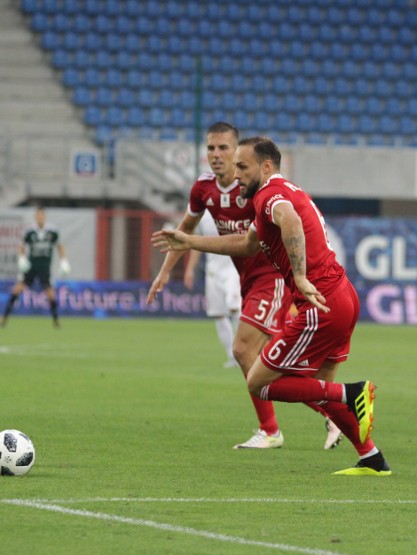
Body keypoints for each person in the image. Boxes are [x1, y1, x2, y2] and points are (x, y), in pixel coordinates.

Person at [152, 136, 391, 476]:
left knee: (258, 381)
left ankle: (352, 393)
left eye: (243, 167)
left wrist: (300, 275)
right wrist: (190, 242)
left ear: (265, 166)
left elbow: (290, 220)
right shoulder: (284, 189)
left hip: (320, 303)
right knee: (315, 386)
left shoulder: (268, 194)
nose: (237, 175)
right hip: (341, 297)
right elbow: (247, 244)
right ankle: (372, 458)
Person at [183, 211, 241, 369]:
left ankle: (246, 349)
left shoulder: (231, 205)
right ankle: (232, 356)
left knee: (234, 307)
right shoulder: (203, 214)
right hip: (212, 271)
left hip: (233, 269)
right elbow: (197, 245)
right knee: (219, 314)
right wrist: (190, 270)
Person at [0, 206, 70, 328]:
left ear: (44, 216)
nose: (40, 217)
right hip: (31, 266)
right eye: (38, 216)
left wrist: (64, 260)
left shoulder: (52, 231)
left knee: (51, 294)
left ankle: (56, 320)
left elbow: (60, 246)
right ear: (35, 217)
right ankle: (4, 318)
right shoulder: (29, 231)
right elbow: (21, 245)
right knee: (17, 290)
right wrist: (21, 258)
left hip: (45, 267)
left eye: (41, 215)